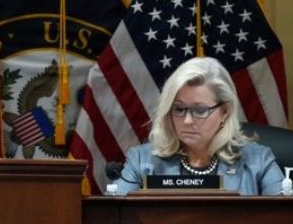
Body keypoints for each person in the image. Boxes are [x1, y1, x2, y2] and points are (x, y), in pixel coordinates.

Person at [115, 57, 283, 195]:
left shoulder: (259, 161)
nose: (187, 120)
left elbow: (288, 220)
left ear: (225, 111)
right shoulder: (141, 160)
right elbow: (113, 217)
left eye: (200, 110)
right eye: (179, 109)